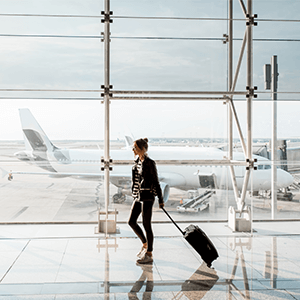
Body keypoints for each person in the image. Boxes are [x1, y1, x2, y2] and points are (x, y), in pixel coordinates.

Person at [128, 138, 164, 264]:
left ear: (142, 149)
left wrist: (160, 199)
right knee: (131, 221)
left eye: (135, 148)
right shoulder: (137, 162)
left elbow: (156, 181)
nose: (133, 150)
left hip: (148, 196)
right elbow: (135, 180)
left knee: (146, 225)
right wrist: (134, 193)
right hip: (138, 196)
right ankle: (145, 243)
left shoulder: (150, 163)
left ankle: (149, 253)